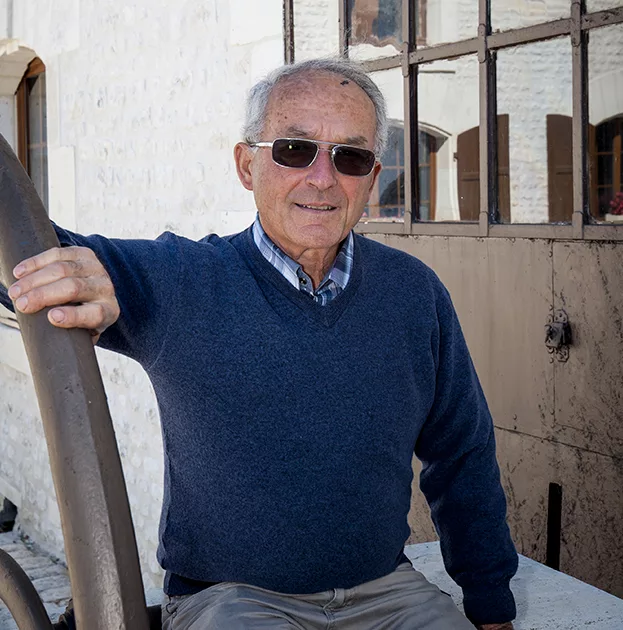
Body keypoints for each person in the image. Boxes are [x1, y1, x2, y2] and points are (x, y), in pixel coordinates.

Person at [0, 58, 518, 630]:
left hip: (386, 592)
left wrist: (490, 603)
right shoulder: (184, 280)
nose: (322, 178)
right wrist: (70, 276)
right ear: (247, 165)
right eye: (295, 149)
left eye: (350, 157)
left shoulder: (414, 295)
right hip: (232, 600)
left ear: (372, 178)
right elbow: (28, 258)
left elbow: (461, 453)